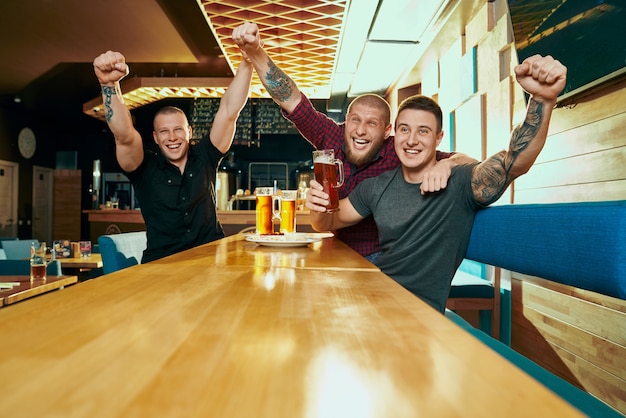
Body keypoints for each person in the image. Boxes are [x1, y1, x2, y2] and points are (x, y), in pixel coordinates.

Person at [305, 55, 567, 313]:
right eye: (405, 130)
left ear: (439, 138)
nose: (412, 140)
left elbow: (514, 162)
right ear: (394, 134)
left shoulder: (460, 182)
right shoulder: (375, 187)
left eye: (423, 131)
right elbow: (329, 221)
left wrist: (542, 100)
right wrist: (318, 207)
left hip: (416, 316)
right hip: (370, 298)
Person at [232, 22, 477, 261]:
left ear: (387, 131)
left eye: (372, 123)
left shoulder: (399, 150)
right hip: (337, 253)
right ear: (346, 121)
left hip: (383, 259)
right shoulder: (331, 136)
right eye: (355, 120)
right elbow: (291, 99)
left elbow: (470, 162)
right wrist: (256, 52)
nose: (360, 130)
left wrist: (448, 164)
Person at [93, 50, 253, 263]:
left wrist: (248, 61)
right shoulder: (144, 167)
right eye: (164, 131)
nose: (172, 137)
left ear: (190, 132)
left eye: (178, 129)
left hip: (211, 265)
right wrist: (108, 85)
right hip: (162, 268)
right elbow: (123, 135)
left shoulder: (205, 156)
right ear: (155, 137)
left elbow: (229, 111)